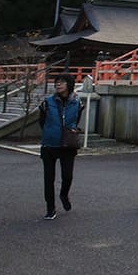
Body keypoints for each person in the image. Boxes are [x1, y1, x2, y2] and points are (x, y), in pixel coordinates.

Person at [37, 74, 83, 220]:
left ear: (69, 84)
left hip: (68, 144)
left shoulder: (77, 102)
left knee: (67, 176)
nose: (58, 85)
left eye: (62, 82)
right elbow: (41, 121)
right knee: (48, 178)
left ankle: (64, 195)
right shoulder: (47, 102)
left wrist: (73, 129)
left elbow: (77, 119)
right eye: (56, 82)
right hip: (49, 144)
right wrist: (50, 131)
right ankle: (50, 208)